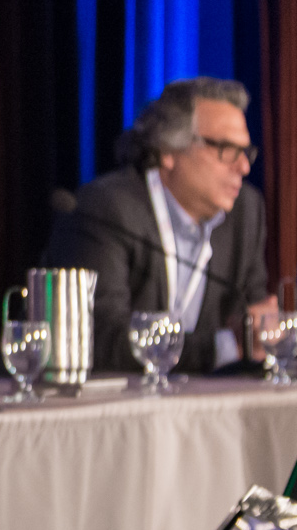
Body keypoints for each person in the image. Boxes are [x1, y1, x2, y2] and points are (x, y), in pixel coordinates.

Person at [41, 77, 274, 374]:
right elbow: (99, 340)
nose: (243, 166)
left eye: (246, 152)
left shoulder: (246, 213)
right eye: (226, 149)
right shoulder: (106, 210)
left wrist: (263, 329)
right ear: (168, 151)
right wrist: (224, 347)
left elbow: (252, 318)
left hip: (197, 397)